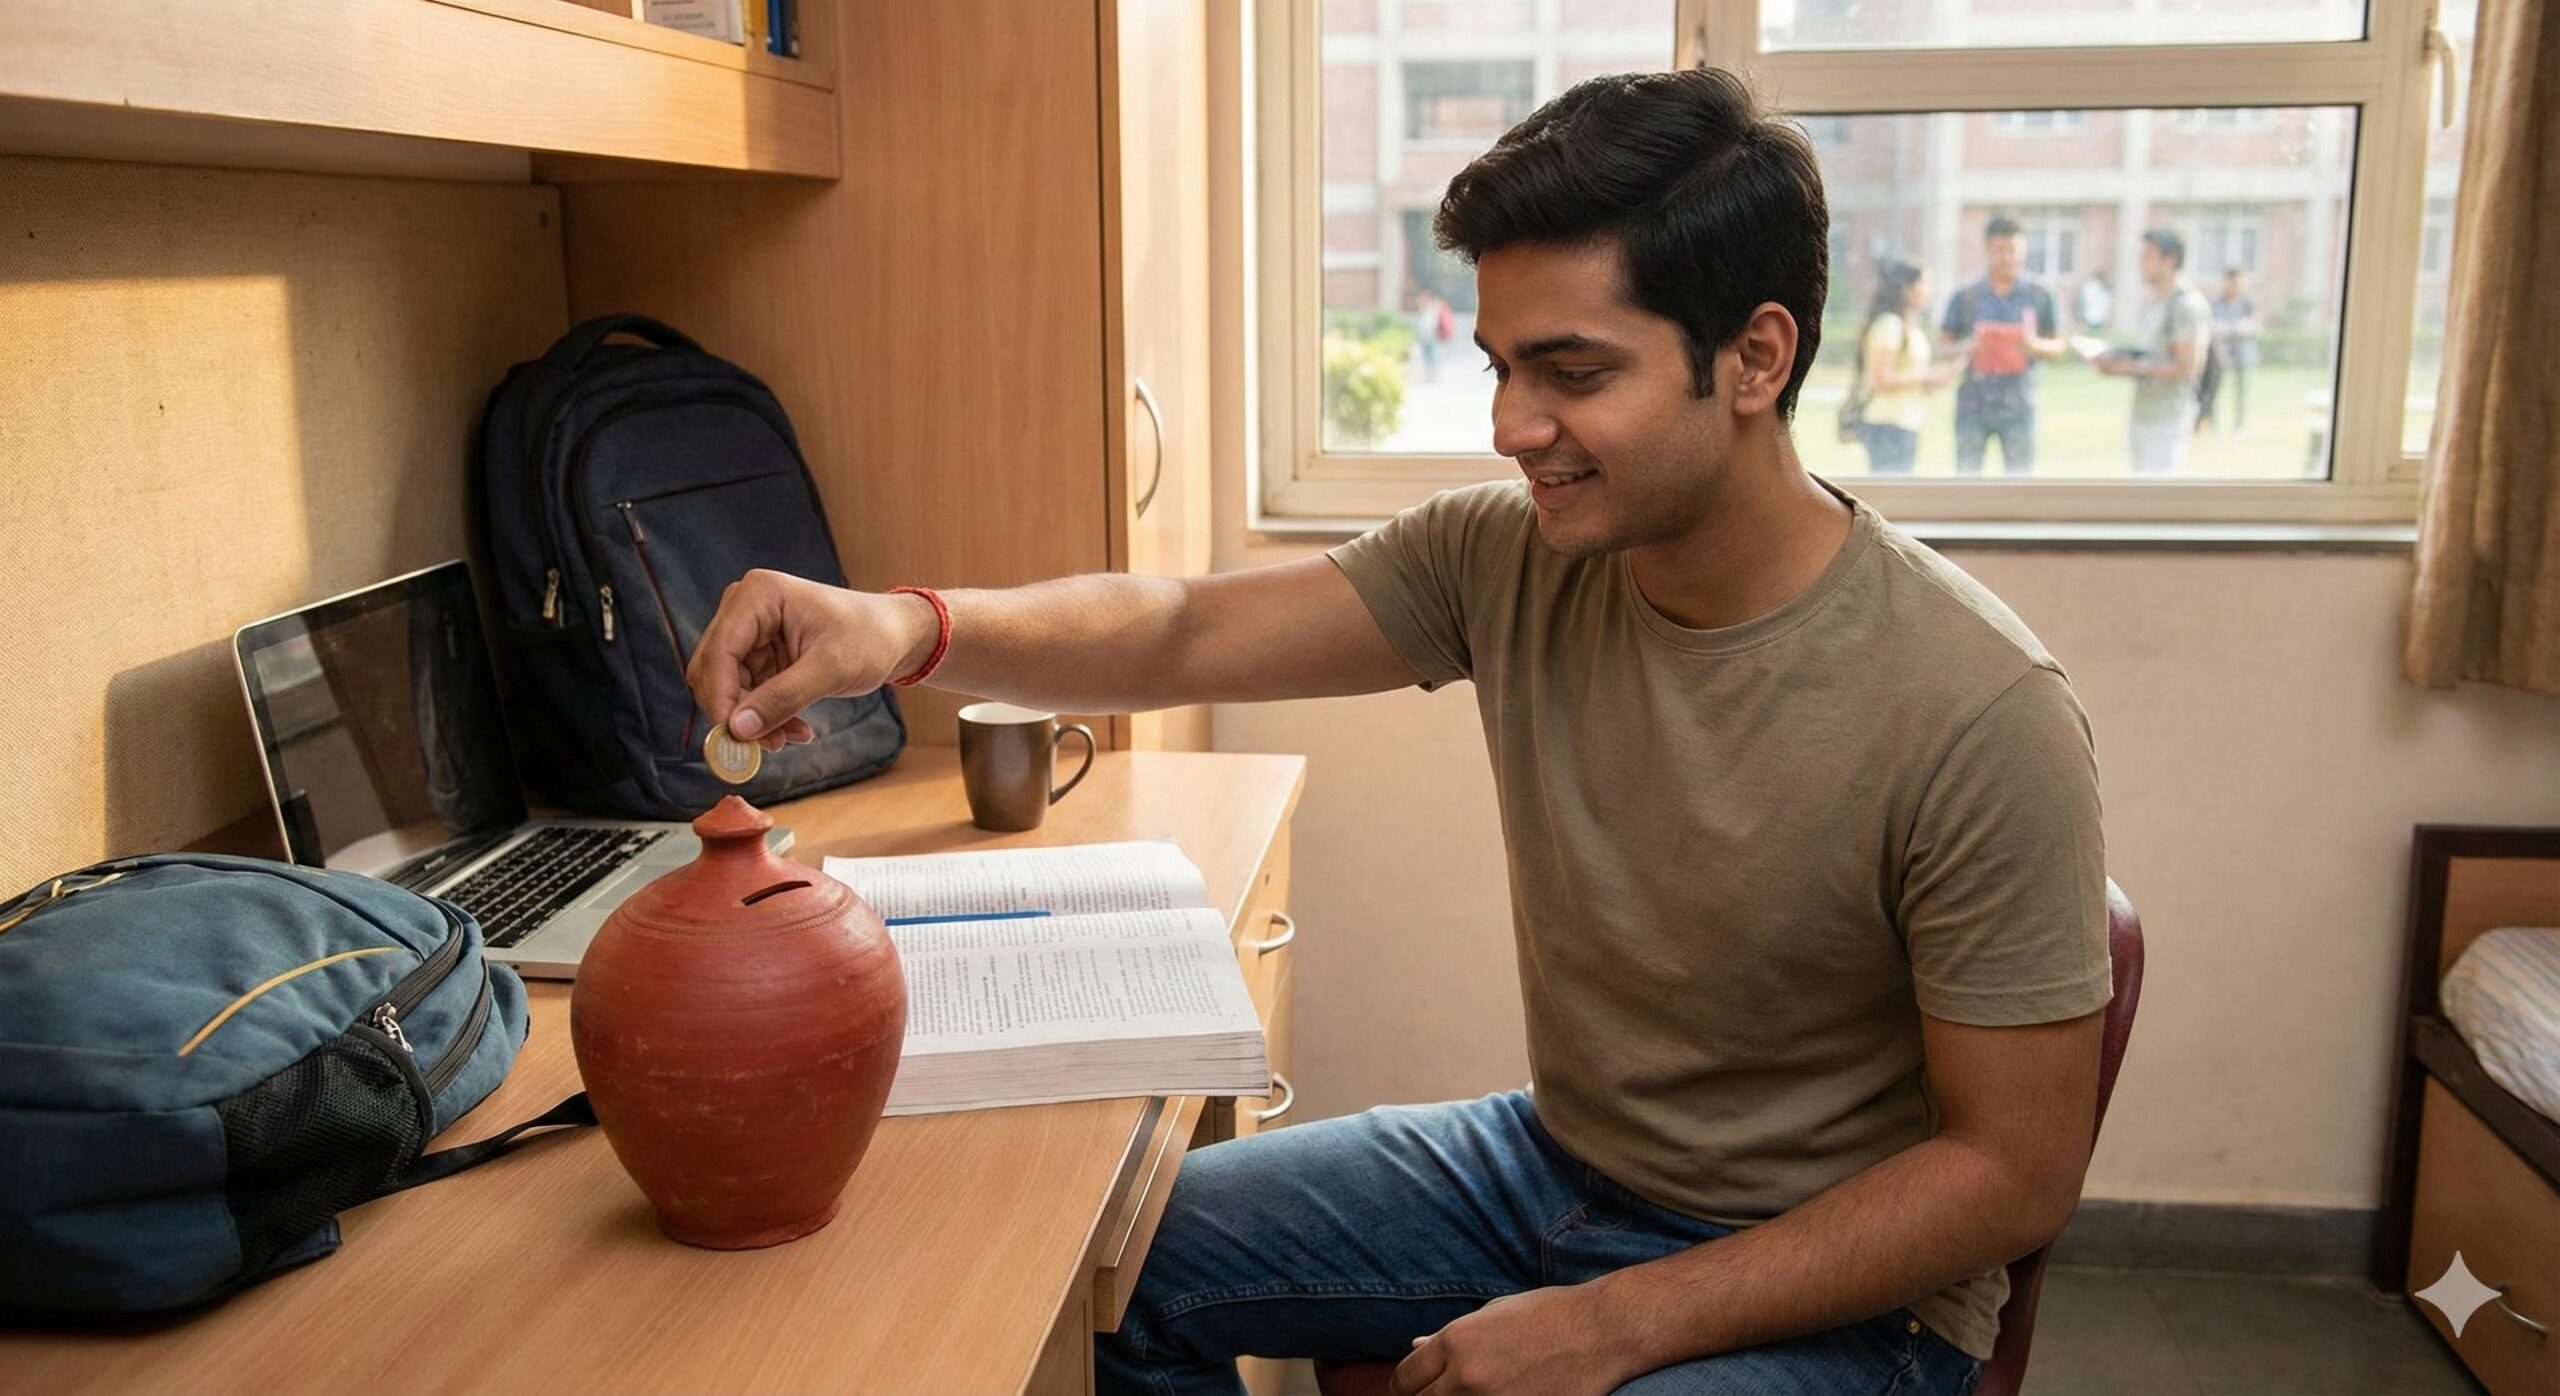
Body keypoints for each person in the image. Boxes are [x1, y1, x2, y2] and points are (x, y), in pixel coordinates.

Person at [687, 68, 2107, 1396]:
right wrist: (903, 626)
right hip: (1559, 1165)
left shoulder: (1977, 708)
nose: (1510, 424)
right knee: (1113, 1270)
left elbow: (2009, 1172)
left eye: (1571, 371)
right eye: (1496, 366)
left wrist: (1605, 1327)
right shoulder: (1511, 558)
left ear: (1753, 357)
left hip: (1847, 1301)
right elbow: (1182, 624)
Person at [1940, 216, 2065, 475]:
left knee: (2020, 483)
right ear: (1987, 250)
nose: (2008, 258)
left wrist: (2033, 345)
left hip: (2019, 402)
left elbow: (2058, 346)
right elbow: (1943, 347)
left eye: (2014, 251)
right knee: (1967, 481)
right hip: (1973, 403)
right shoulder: (1966, 296)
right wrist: (1970, 346)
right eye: (2000, 251)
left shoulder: (2040, 294)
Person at [2099, 229, 2213, 475]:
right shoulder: (2154, 303)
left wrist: (2131, 368)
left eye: (2149, 256)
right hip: (2143, 412)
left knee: (2160, 496)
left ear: (2169, 260)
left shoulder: (2185, 306)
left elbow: (2186, 367)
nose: (2142, 263)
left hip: (2168, 418)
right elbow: (2151, 353)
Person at [1854, 260, 1954, 474]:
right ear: (1908, 289)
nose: (1929, 290)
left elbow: (1906, 375)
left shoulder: (1910, 326)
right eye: (1925, 283)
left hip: (1905, 423)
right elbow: (1881, 380)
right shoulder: (1890, 325)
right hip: (1887, 424)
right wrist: (1925, 378)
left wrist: (1931, 381)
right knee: (1891, 497)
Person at [2204, 267, 2260, 431]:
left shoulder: (2246, 304)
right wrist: (2235, 329)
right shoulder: (2215, 304)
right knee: (2216, 388)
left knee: (2241, 389)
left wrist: (2234, 329)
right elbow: (2214, 327)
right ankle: (2212, 423)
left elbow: (2251, 326)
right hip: (2220, 353)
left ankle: (2239, 424)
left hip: (2242, 353)